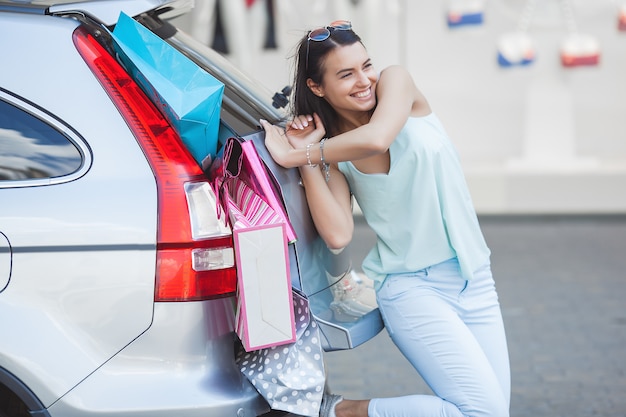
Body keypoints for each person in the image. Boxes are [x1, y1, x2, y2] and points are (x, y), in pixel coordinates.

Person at [259, 20, 511, 417]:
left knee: (492, 412)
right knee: (482, 412)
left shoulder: (397, 84)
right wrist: (308, 157)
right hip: (412, 290)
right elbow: (339, 234)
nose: (364, 81)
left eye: (365, 65)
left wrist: (297, 155)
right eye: (346, 74)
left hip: (476, 279)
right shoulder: (330, 156)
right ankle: (339, 411)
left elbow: (378, 137)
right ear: (316, 87)